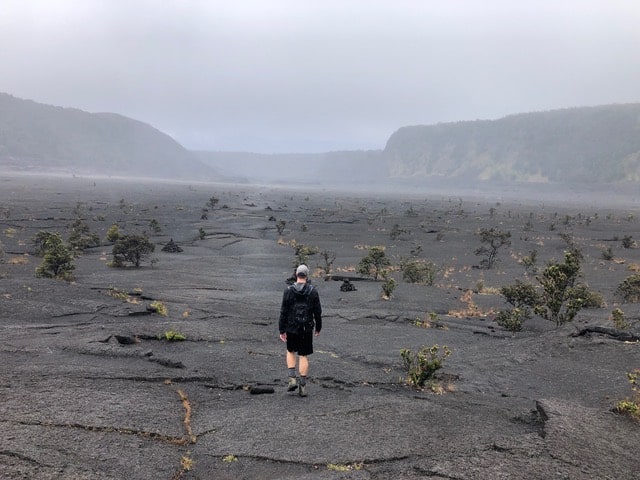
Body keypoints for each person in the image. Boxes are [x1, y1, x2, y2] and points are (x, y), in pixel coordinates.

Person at [278, 264, 322, 397]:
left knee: (290, 351)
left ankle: (292, 379)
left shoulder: (288, 290)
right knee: (303, 355)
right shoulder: (313, 291)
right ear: (307, 276)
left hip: (291, 327)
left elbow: (283, 311)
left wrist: (282, 329)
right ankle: (302, 387)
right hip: (306, 328)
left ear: (296, 274)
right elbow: (317, 312)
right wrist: (318, 327)